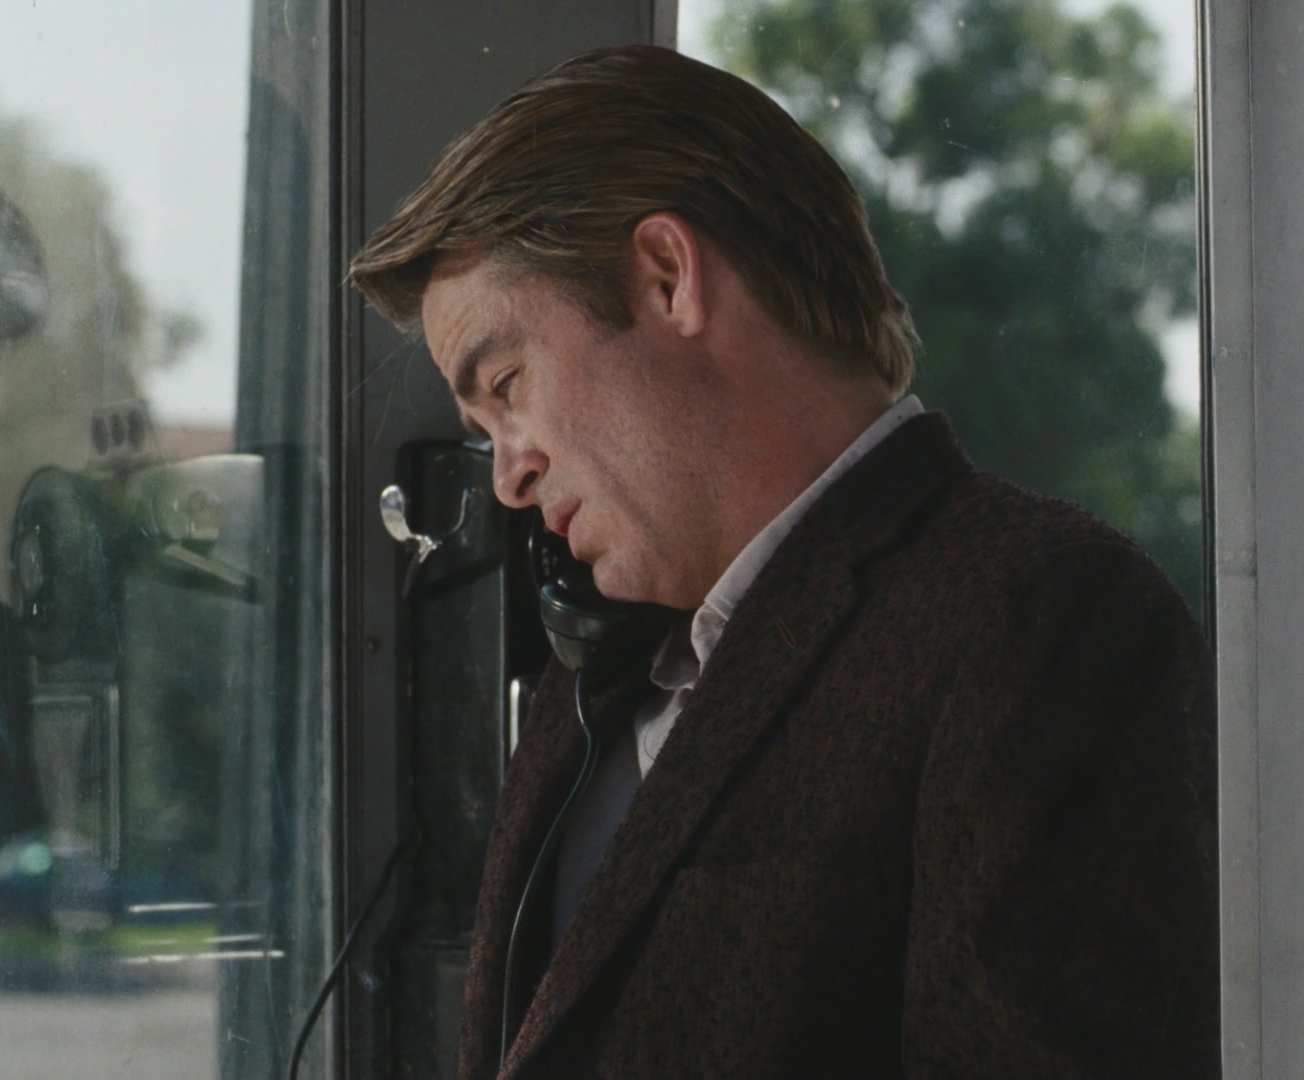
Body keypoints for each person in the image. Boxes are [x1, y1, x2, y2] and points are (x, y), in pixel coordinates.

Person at [349, 44, 1218, 1079]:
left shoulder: (1042, 618)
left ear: (668, 278)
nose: (509, 477)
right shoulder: (590, 688)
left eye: (507, 385)